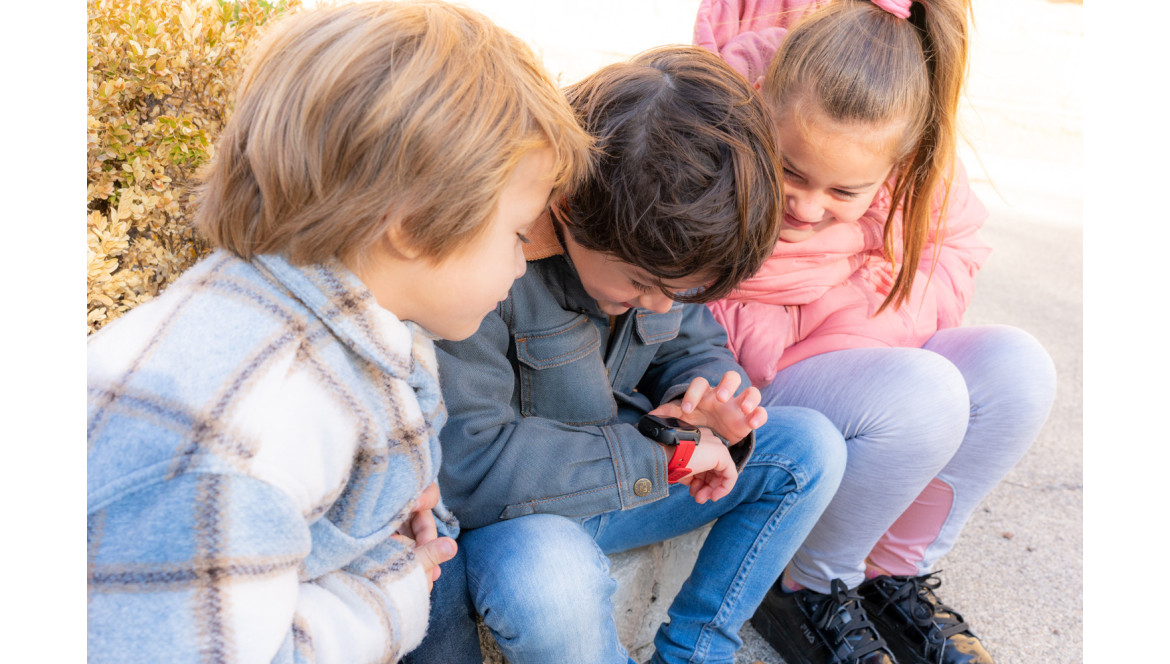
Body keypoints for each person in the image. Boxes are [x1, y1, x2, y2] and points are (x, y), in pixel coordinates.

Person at [85, 2, 593, 662]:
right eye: (517, 233)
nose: (523, 262)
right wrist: (391, 593)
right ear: (409, 225)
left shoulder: (291, 321)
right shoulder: (257, 431)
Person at [406, 45, 848, 664]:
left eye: (684, 289)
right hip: (523, 519)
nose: (663, 305)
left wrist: (711, 400)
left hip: (637, 475)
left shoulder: (660, 254)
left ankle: (697, 650)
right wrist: (666, 453)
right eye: (640, 285)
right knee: (549, 584)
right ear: (567, 208)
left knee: (812, 447)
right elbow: (469, 463)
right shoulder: (489, 275)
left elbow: (695, 342)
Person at [694, 1, 1058, 663]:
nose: (807, 207)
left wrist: (867, 306)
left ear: (897, 162)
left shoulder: (913, 159)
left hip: (873, 364)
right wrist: (839, 287)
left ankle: (892, 571)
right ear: (764, 115)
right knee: (923, 393)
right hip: (769, 388)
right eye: (792, 173)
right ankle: (810, 580)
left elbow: (956, 251)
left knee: (1017, 368)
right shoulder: (721, 136)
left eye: (844, 191)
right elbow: (695, 292)